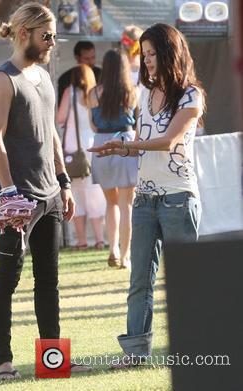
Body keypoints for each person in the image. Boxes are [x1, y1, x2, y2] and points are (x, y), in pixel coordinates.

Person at [88, 23, 205, 367]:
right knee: (140, 281)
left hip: (178, 199)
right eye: (145, 54)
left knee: (185, 281)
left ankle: (194, 350)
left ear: (171, 54)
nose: (148, 61)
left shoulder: (191, 95)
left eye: (153, 54)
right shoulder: (143, 93)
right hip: (144, 200)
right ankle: (136, 354)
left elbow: (168, 141)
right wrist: (118, 149)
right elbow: (142, 142)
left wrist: (128, 144)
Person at [0, 2, 90, 380]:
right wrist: (9, 193)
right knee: (7, 280)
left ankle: (53, 363)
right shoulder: (3, 79)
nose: (52, 42)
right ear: (24, 32)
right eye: (47, 35)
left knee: (48, 281)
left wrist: (63, 183)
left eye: (54, 36)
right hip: (18, 199)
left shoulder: (44, 75)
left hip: (49, 196)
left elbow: (51, 135)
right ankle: (4, 365)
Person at [88, 50, 138, 268]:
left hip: (101, 143)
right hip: (125, 142)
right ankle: (125, 256)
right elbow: (136, 122)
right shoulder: (131, 92)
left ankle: (113, 249)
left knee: (111, 203)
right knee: (127, 205)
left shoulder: (93, 93)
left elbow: (93, 124)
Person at [57, 64, 106, 250]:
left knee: (76, 193)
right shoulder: (96, 93)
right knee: (94, 191)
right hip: (92, 144)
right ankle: (100, 239)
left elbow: (60, 118)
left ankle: (82, 240)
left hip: (73, 145)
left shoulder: (70, 92)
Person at [58, 41, 102, 105]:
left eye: (93, 57)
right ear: (77, 58)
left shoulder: (102, 75)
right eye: (86, 59)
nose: (91, 62)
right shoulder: (65, 78)